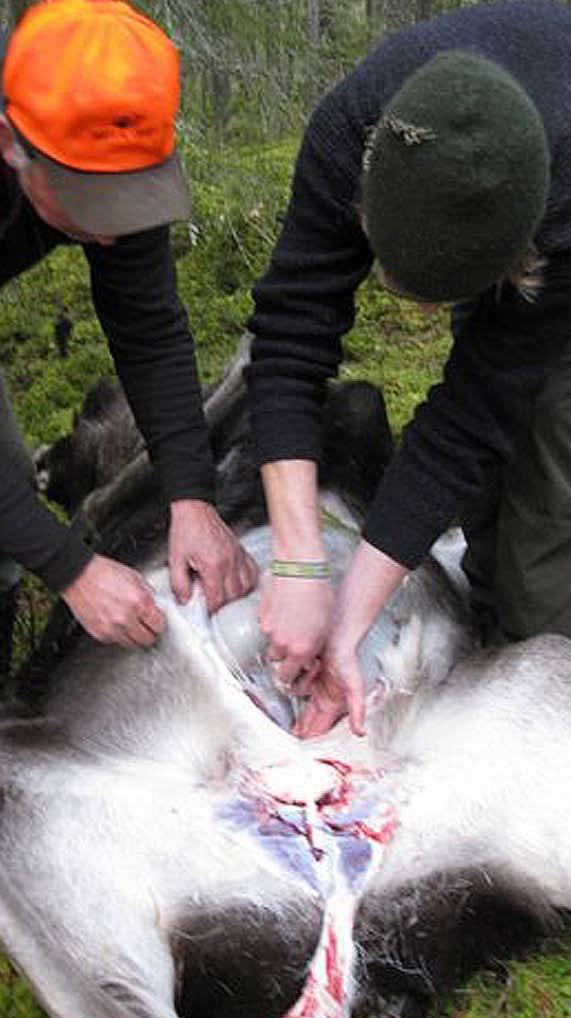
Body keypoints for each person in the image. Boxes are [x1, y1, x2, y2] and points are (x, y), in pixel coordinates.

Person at [246, 0, 571, 738]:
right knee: (486, 496)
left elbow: (475, 409)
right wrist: (300, 569)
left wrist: (349, 617)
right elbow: (290, 340)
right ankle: (488, 611)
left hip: (561, 203)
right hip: (508, 188)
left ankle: (539, 690)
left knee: (550, 457)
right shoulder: (346, 131)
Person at [0, 0, 257, 676]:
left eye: (130, 195)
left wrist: (192, 498)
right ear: (11, 145)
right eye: (92, 202)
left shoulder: (109, 134)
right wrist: (70, 569)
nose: (113, 231)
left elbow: (149, 329)